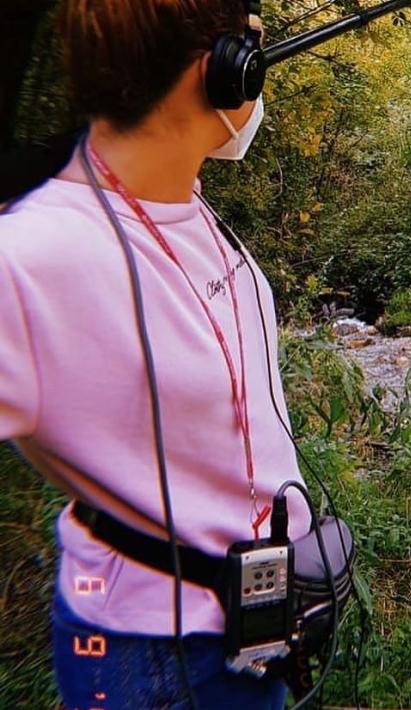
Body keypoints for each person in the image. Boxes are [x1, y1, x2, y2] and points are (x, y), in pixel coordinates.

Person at [0, 1, 311, 707]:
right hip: (155, 663)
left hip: (250, 633)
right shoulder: (29, 256)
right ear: (225, 71)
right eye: (254, 45)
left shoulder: (185, 204)